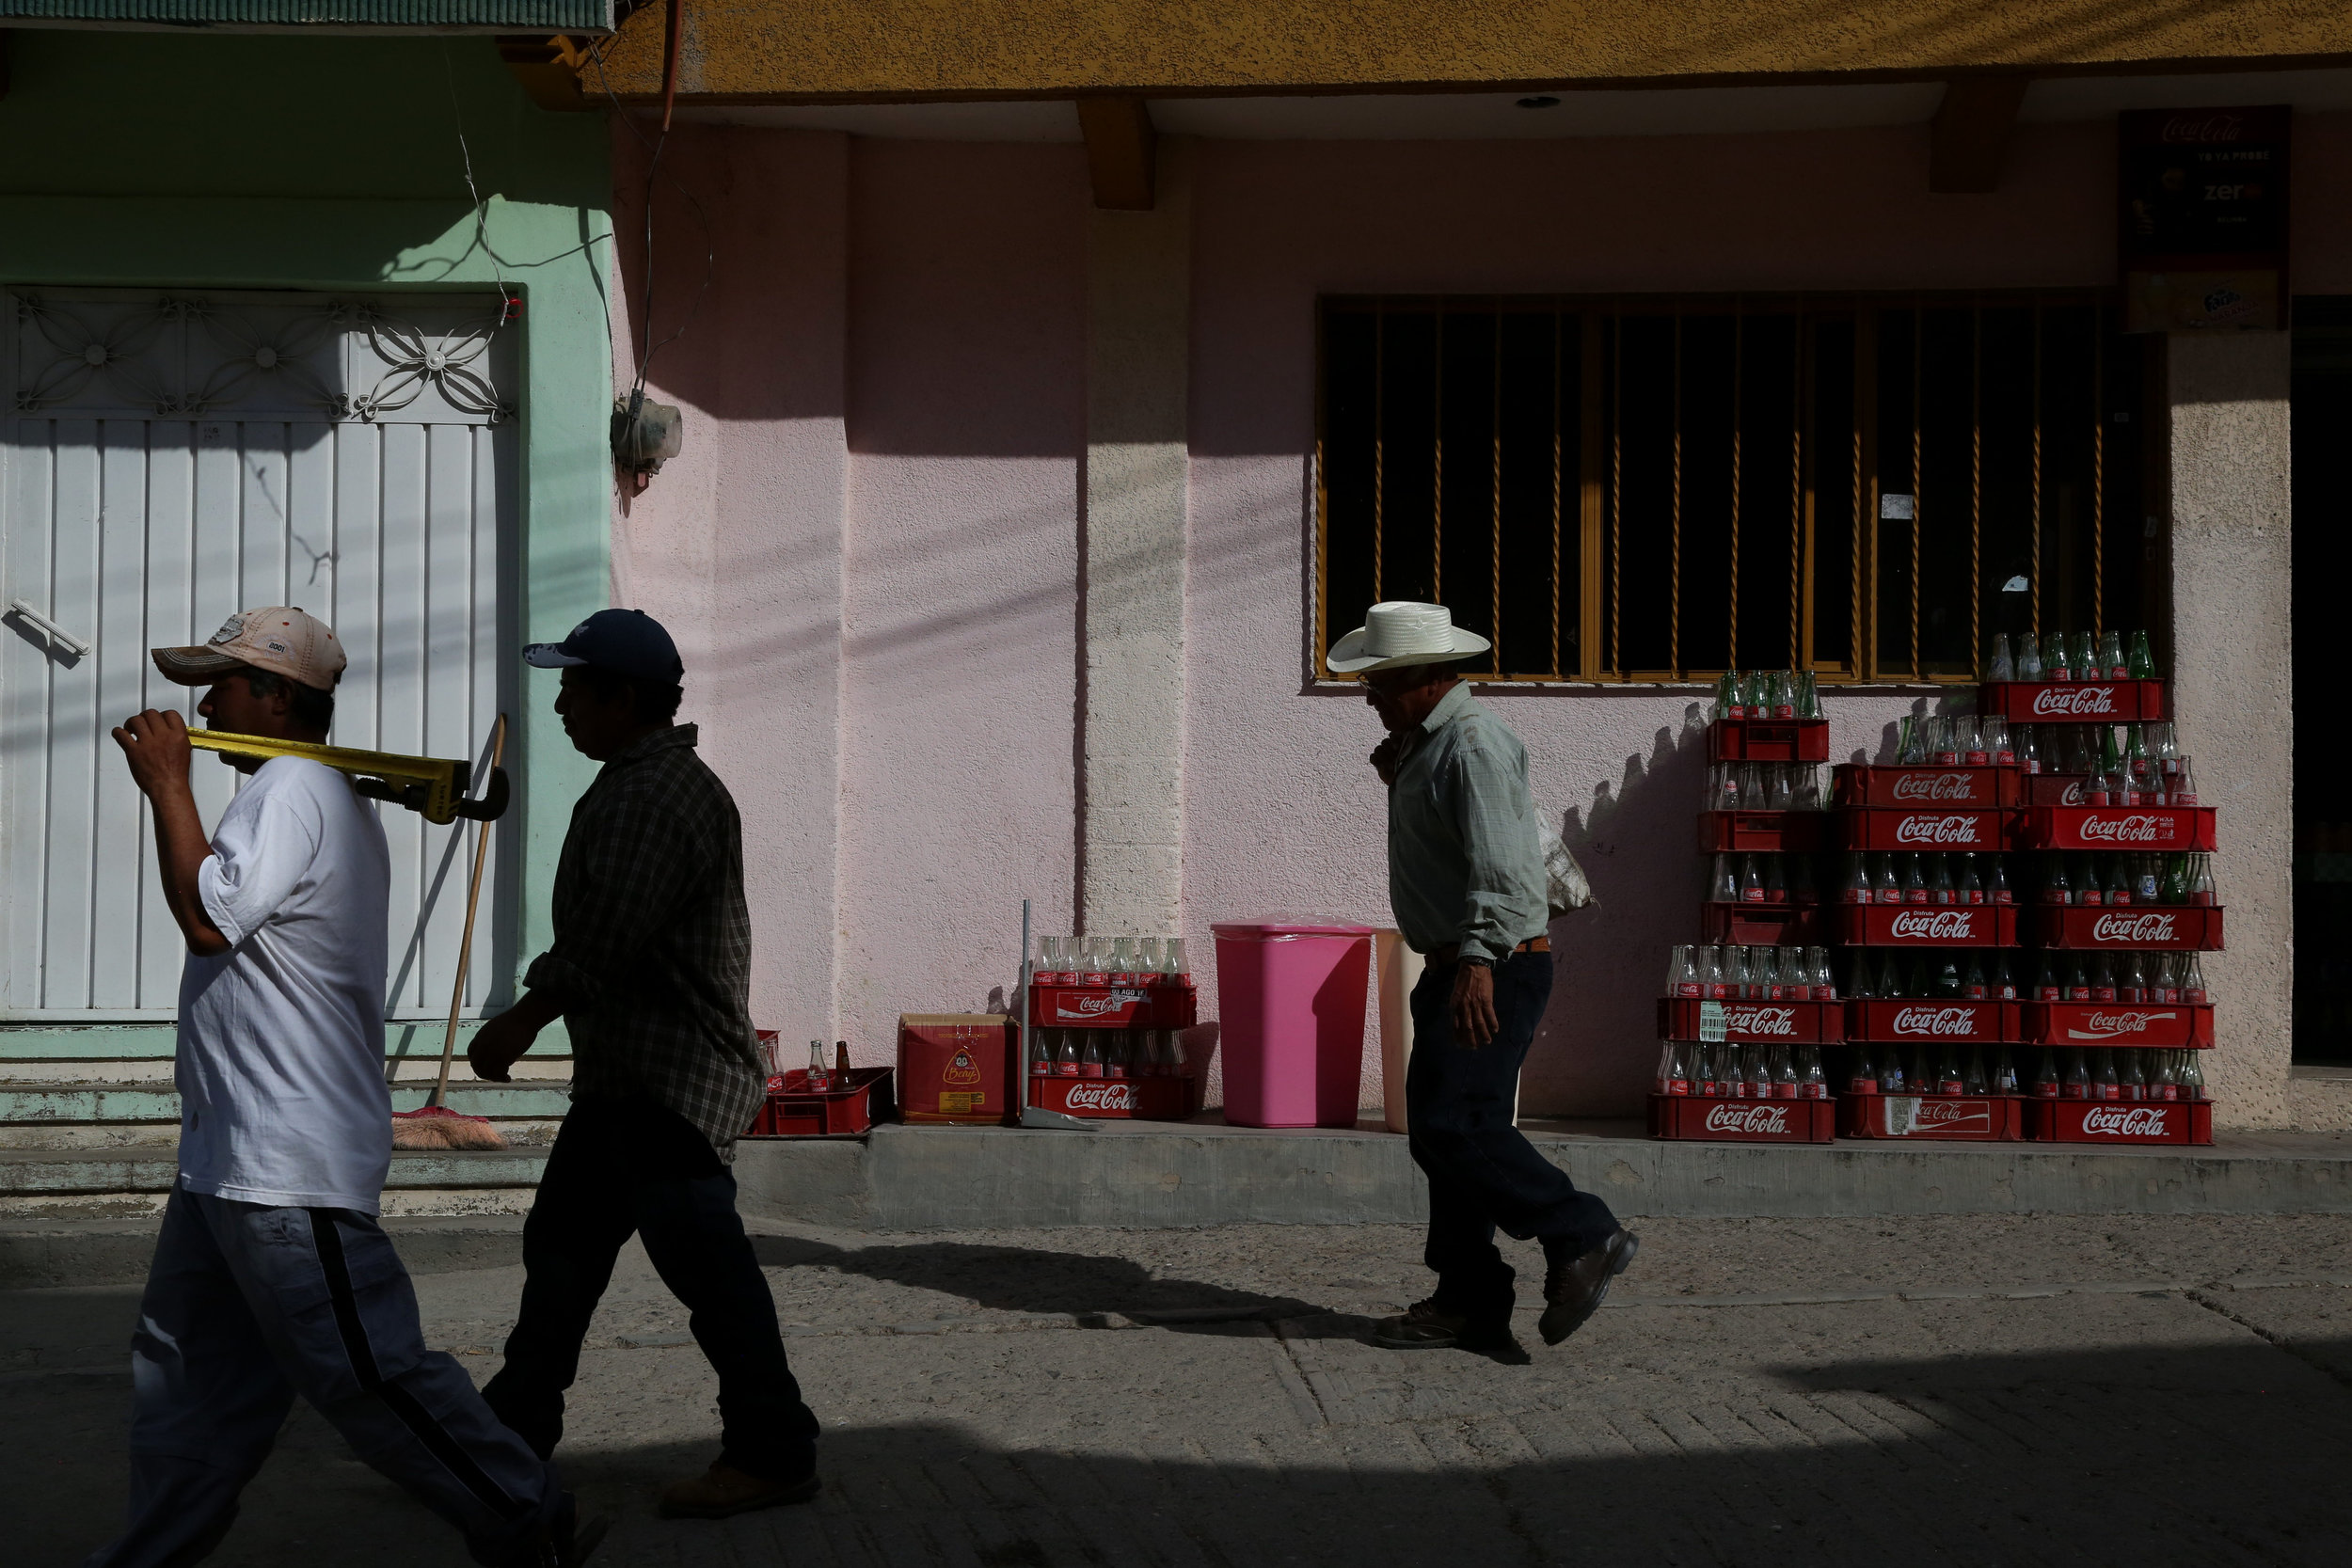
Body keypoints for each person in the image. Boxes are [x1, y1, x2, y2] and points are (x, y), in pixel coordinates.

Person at [92, 607, 589, 1568]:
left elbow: (207, 918)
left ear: (276, 699)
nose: (203, 702)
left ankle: (526, 1515)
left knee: (370, 1375)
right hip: (225, 1163)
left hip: (286, 1165)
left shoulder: (292, 787)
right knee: (187, 1389)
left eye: (223, 682)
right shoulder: (314, 789)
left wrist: (166, 784)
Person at [468, 608, 822, 1519]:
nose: (558, 705)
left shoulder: (648, 796)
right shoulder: (645, 780)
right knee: (561, 1256)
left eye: (573, 688)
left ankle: (773, 1448)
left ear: (621, 698)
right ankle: (501, 1440)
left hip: (665, 1084)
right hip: (629, 1079)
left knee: (709, 1274)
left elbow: (602, 940)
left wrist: (517, 1021)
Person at [1330, 600, 1640, 1354]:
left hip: (1489, 963)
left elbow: (1503, 874)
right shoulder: (1427, 744)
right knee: (1443, 1136)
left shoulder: (1471, 744)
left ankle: (1582, 1231)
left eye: (1381, 680)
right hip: (1464, 962)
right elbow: (1457, 846)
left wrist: (1475, 962)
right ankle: (1468, 1299)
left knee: (1454, 1126)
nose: (1368, 695)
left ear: (1430, 675)